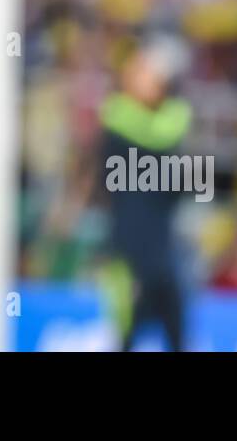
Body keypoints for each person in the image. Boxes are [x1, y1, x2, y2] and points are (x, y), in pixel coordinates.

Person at [98, 36, 193, 351]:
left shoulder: (169, 124)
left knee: (176, 333)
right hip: (128, 252)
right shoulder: (118, 122)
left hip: (163, 249)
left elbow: (179, 188)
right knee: (125, 335)